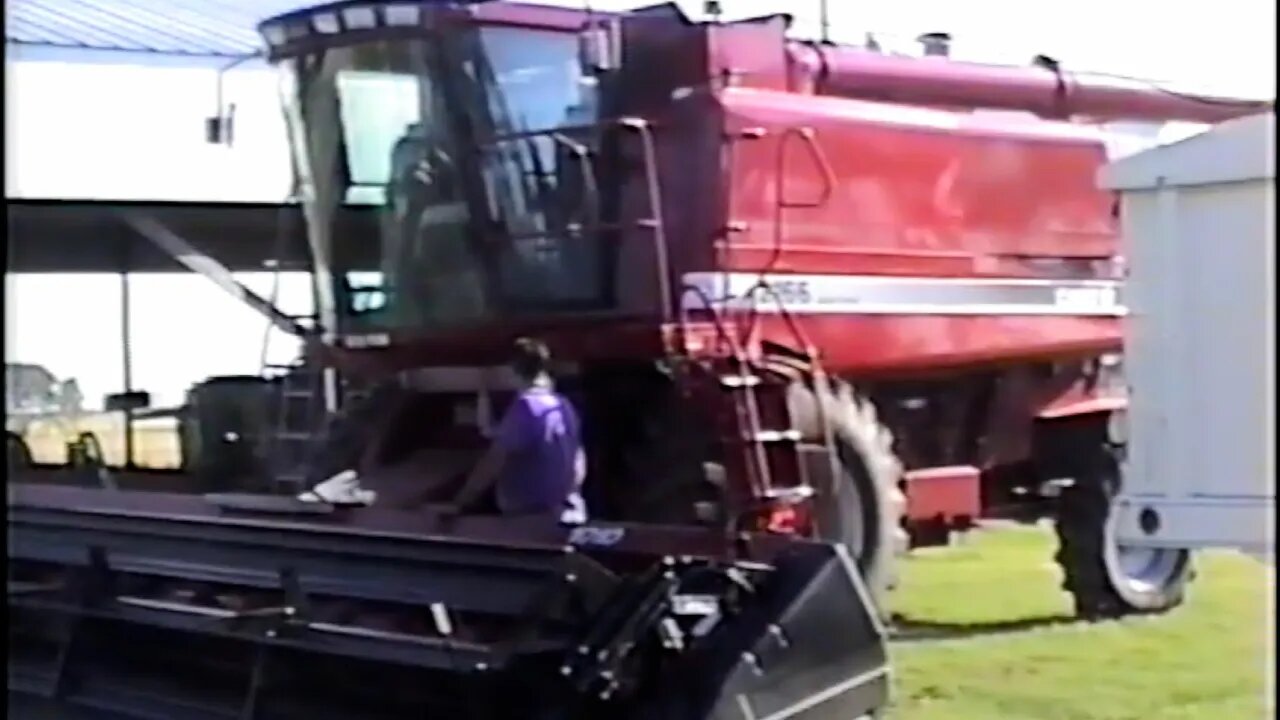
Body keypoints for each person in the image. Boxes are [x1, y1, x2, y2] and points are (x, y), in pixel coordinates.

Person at [453, 338, 587, 524]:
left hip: (532, 519)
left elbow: (494, 461)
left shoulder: (526, 407)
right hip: (568, 513)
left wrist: (460, 502)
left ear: (511, 370)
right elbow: (579, 463)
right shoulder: (563, 405)